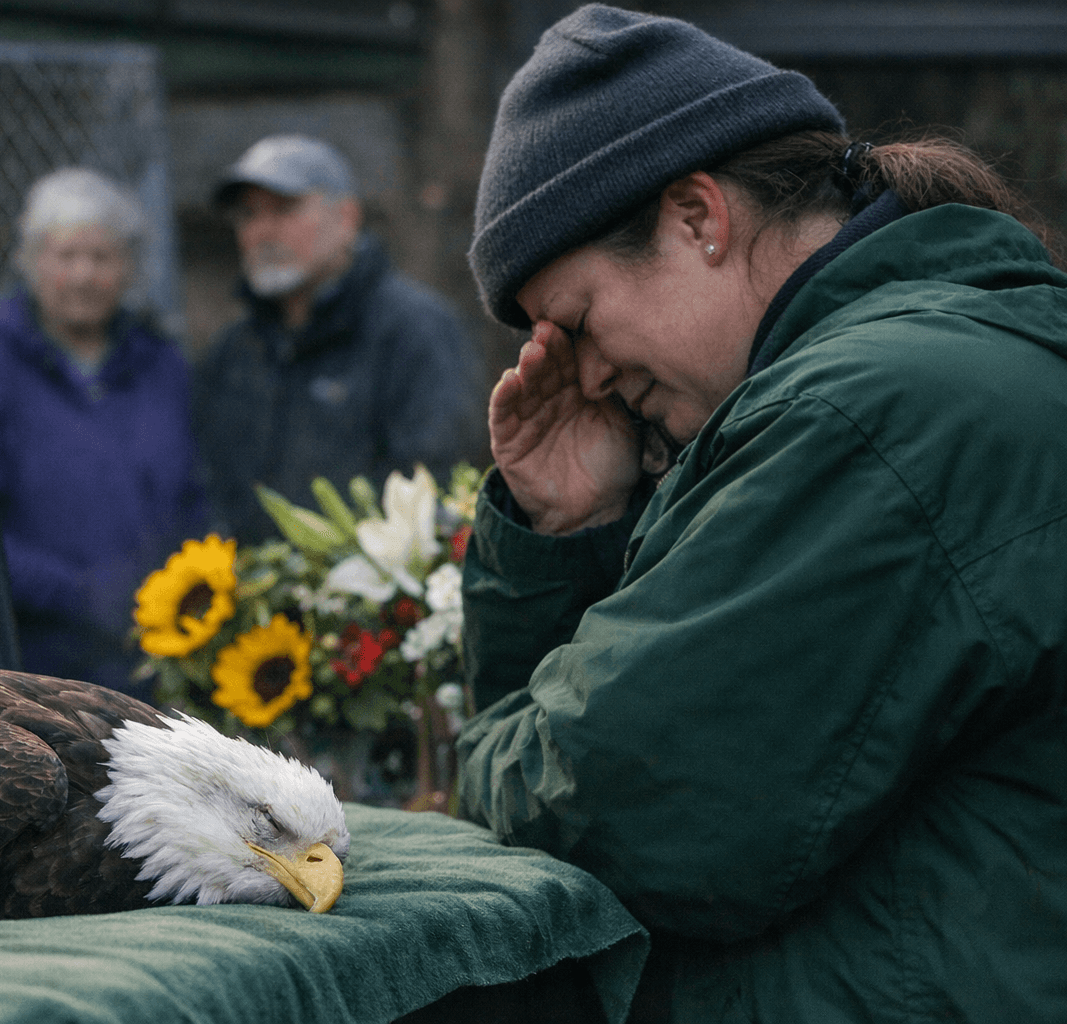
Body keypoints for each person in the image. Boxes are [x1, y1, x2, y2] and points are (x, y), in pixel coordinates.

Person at [454, 5, 1067, 1021]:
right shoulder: (922, 369)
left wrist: (486, 753)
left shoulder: (872, 416)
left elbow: (621, 809)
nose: (587, 375)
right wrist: (568, 528)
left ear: (700, 216)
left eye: (581, 322)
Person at [0, 167, 203, 701]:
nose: (83, 275)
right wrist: (82, 595)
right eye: (65, 256)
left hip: (160, 658)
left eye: (102, 257)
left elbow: (194, 496)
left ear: (128, 268)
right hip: (31, 670)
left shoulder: (162, 366)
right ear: (31, 261)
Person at [194, 134, 485, 543]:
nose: (263, 231)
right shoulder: (232, 351)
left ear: (347, 218)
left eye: (284, 209)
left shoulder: (417, 331)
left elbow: (436, 483)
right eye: (248, 215)